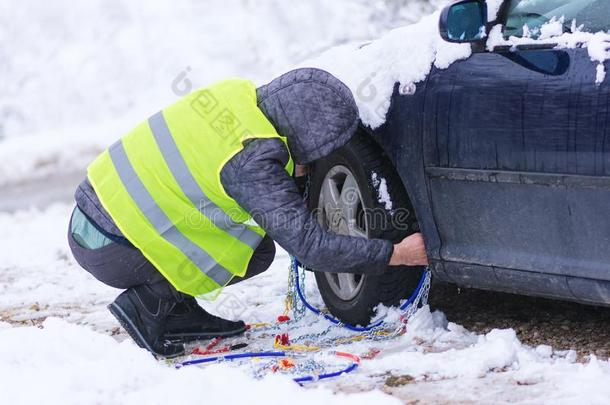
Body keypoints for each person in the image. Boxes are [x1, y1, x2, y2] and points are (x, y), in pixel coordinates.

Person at [68, 68, 428, 358]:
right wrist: (398, 253)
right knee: (254, 255)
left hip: (92, 215)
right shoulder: (252, 161)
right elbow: (311, 248)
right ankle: (149, 304)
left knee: (253, 246)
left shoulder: (236, 97)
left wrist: (293, 174)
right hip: (111, 246)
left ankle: (176, 311)